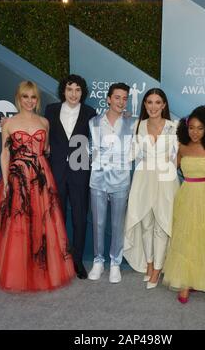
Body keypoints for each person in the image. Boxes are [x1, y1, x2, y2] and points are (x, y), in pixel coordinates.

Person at [0, 81, 75, 292]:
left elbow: (46, 149)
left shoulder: (44, 122)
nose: (29, 101)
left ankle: (40, 267)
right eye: (25, 97)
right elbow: (4, 154)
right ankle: (18, 269)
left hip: (41, 177)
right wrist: (5, 182)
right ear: (18, 98)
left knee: (43, 222)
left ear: (37, 100)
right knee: (18, 222)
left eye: (33, 97)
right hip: (17, 176)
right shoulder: (9, 123)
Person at [162, 106, 205, 304]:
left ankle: (200, 278)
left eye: (200, 128)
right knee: (186, 237)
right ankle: (185, 283)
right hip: (187, 195)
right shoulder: (181, 146)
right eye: (191, 128)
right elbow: (170, 169)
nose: (195, 132)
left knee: (204, 237)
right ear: (185, 128)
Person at [124, 88, 179, 289]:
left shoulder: (174, 127)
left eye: (157, 102)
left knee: (162, 225)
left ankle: (157, 269)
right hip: (143, 178)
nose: (153, 106)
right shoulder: (138, 125)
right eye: (149, 102)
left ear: (164, 105)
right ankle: (148, 264)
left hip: (165, 179)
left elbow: (177, 158)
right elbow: (131, 154)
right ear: (144, 105)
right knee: (145, 224)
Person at [45, 74, 96, 279]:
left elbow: (105, 131)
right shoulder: (51, 110)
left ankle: (77, 261)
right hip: (56, 170)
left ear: (82, 93)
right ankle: (58, 258)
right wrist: (9, 121)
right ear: (63, 91)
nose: (73, 94)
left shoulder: (90, 113)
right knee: (57, 216)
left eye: (77, 90)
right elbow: (35, 126)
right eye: (69, 89)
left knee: (79, 218)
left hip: (80, 171)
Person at [88, 83, 134, 283]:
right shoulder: (93, 122)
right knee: (98, 223)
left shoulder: (132, 122)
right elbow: (90, 149)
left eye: (125, 98)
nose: (121, 102)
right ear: (108, 99)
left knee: (117, 224)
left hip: (121, 180)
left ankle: (115, 263)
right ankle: (98, 261)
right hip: (97, 180)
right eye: (117, 97)